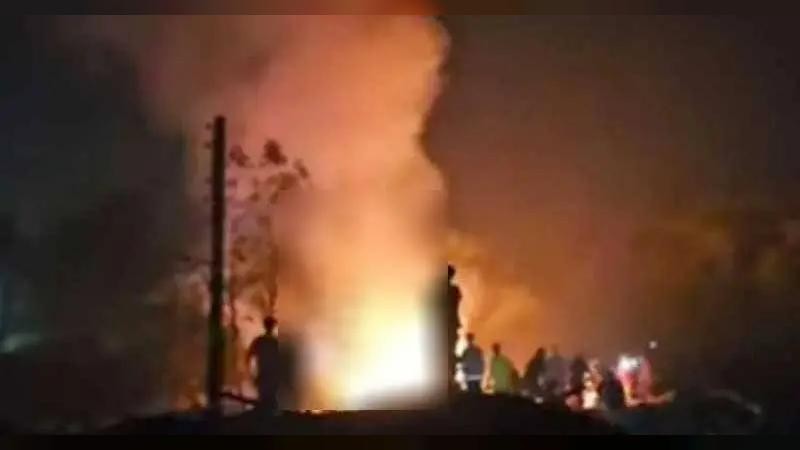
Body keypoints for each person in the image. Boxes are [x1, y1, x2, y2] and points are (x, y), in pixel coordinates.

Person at [435, 264, 462, 397]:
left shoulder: (439, 291)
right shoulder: (454, 291)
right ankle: (447, 379)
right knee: (448, 351)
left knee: (443, 352)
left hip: (443, 326)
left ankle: (445, 379)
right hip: (449, 325)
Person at [247, 316, 281, 413]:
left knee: (265, 399)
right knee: (270, 400)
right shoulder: (274, 342)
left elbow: (249, 356)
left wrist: (251, 374)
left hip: (265, 375)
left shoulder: (260, 341)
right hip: (270, 375)